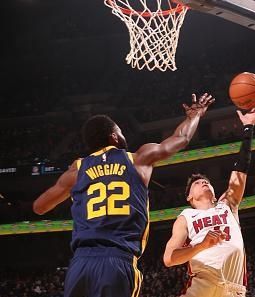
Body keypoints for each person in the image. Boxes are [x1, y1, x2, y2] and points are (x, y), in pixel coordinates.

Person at [33, 93, 214, 297]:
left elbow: (39, 207)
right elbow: (182, 138)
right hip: (117, 260)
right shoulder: (138, 159)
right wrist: (194, 116)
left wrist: (75, 183)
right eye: (120, 131)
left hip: (80, 264)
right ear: (114, 135)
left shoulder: (77, 170)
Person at [163, 104, 255, 297]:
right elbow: (169, 258)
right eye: (198, 183)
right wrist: (201, 246)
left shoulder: (227, 204)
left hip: (234, 289)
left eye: (206, 182)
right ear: (189, 197)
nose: (203, 182)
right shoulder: (186, 216)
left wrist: (248, 129)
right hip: (203, 285)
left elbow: (241, 168)